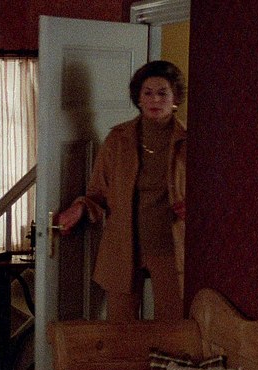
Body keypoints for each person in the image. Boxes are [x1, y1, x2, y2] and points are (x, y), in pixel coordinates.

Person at [56, 60, 187, 321]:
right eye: (148, 92)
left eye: (162, 93)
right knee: (119, 325)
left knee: (171, 325)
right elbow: (97, 192)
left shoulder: (188, 141)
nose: (155, 100)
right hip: (123, 244)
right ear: (138, 97)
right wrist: (79, 208)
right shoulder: (118, 139)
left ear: (175, 98)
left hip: (170, 244)